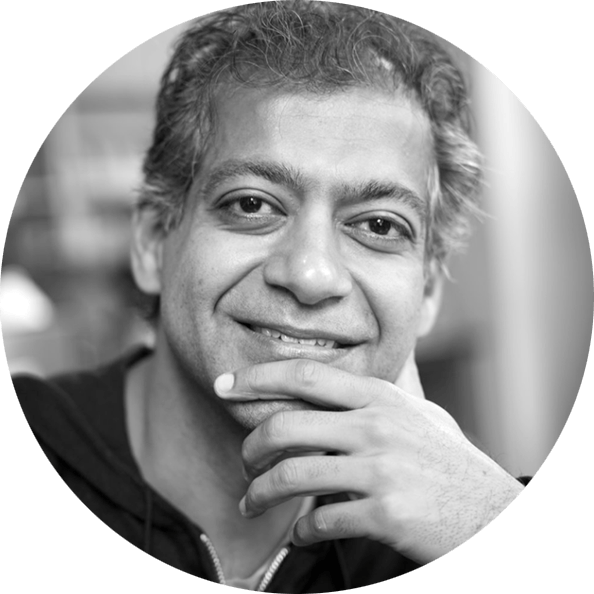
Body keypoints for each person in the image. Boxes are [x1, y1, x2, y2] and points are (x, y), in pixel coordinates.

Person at [14, 1, 529, 591]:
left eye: (379, 225)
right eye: (252, 204)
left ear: (428, 291)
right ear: (154, 243)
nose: (311, 275)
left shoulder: (464, 521)